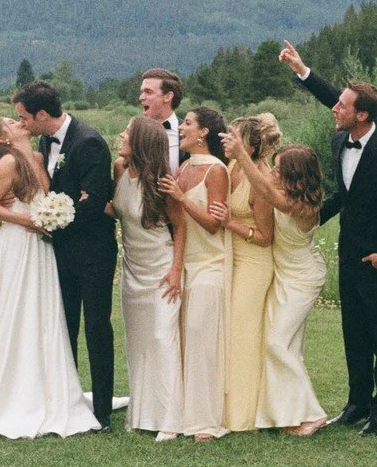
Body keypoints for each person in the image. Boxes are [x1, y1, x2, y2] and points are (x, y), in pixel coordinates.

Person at [0, 118, 99, 437]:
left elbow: (46, 195)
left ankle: (43, 390)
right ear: (5, 138)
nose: (18, 121)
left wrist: (47, 216)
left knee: (40, 316)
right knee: (11, 316)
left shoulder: (34, 158)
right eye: (12, 122)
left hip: (39, 249)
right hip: (13, 247)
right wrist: (26, 220)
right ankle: (6, 394)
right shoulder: (7, 162)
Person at [14, 81, 117, 431]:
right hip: (60, 253)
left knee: (96, 327)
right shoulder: (45, 141)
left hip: (93, 253)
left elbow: (95, 202)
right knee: (64, 326)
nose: (22, 124)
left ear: (43, 114)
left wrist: (51, 221)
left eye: (24, 117)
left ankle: (102, 411)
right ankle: (69, 401)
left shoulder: (88, 142)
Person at [314, 80, 377, 436]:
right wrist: (313, 219)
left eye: (342, 105)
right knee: (353, 330)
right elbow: (345, 194)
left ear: (362, 114)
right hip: (347, 251)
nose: (336, 109)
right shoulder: (339, 141)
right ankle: (357, 402)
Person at [220, 134, 329, 436]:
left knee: (277, 343)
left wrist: (241, 153)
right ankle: (288, 415)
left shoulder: (302, 207)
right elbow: (264, 179)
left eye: (280, 169)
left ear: (295, 177)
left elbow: (265, 188)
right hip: (282, 275)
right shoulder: (283, 190)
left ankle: (312, 413)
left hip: (303, 279)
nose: (274, 172)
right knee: (286, 345)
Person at [111, 115, 186, 440]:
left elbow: (180, 226)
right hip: (132, 268)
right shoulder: (120, 170)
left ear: (141, 141)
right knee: (139, 342)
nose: (122, 135)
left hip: (160, 268)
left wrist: (175, 270)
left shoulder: (161, 181)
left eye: (128, 132)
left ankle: (171, 418)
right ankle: (142, 412)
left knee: (161, 337)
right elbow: (122, 209)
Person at [159, 107, 231, 440]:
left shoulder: (216, 170)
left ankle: (206, 421)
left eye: (187, 123)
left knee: (202, 340)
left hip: (209, 265)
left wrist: (180, 198)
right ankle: (182, 413)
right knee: (184, 341)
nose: (181, 128)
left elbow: (214, 225)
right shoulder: (185, 166)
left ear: (203, 133)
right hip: (184, 262)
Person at [216, 114, 277, 433]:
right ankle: (224, 404)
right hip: (232, 257)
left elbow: (266, 237)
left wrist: (230, 223)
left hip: (254, 261)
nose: (227, 141)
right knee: (230, 330)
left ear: (251, 147)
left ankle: (244, 414)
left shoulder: (261, 179)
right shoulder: (229, 167)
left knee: (244, 333)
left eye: (234, 138)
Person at [139, 68, 184, 173]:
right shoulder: (135, 132)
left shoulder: (188, 133)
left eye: (148, 92)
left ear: (168, 96)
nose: (141, 97)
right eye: (142, 92)